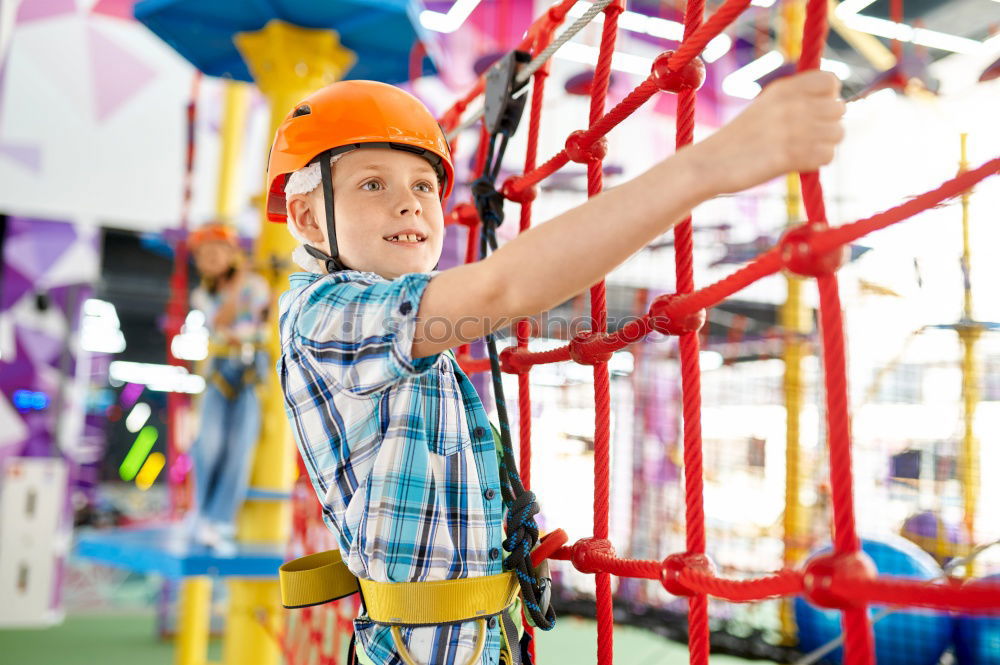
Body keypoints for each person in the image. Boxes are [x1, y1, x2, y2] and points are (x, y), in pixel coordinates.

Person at [270, 76, 845, 665]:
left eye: (424, 185)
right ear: (309, 219)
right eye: (373, 183)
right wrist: (707, 169)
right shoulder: (327, 315)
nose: (411, 202)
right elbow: (503, 287)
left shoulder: (407, 332)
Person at [186, 222, 271, 554]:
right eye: (202, 255)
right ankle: (201, 514)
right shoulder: (204, 293)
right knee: (209, 443)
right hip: (220, 367)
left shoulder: (256, 284)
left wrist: (243, 285)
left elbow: (258, 324)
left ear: (232, 253)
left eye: (215, 251)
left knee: (240, 445)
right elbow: (220, 321)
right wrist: (238, 285)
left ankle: (220, 521)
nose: (208, 259)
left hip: (252, 368)